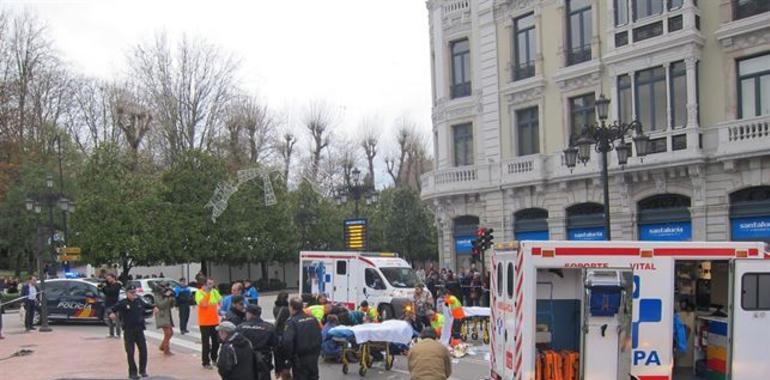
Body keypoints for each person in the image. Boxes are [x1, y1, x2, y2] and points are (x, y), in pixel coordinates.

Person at [109, 285, 154, 380]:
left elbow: (148, 306)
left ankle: (143, 370)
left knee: (143, 351)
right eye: (132, 293)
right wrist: (111, 313)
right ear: (127, 293)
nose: (134, 294)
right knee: (130, 352)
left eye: (135, 292)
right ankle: (132, 373)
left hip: (139, 330)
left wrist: (155, 307)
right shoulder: (123, 303)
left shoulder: (139, 301)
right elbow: (111, 309)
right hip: (129, 331)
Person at [282, 296, 322, 380]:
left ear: (291, 307)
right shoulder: (313, 319)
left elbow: (287, 342)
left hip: (300, 359)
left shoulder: (291, 322)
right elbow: (320, 335)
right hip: (313, 357)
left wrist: (287, 360)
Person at [237, 304, 277, 380]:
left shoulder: (240, 327)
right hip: (263, 361)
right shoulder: (269, 327)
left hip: (245, 361)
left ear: (250, 314)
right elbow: (275, 343)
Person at [196, 278, 223, 369]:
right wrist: (207, 294)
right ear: (204, 285)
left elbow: (220, 301)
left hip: (214, 321)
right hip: (204, 323)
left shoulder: (214, 292)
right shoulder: (199, 293)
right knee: (206, 343)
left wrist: (221, 306)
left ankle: (214, 358)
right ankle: (205, 362)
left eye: (212, 284)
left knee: (216, 342)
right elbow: (203, 304)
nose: (211, 286)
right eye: (209, 284)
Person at [272, 292, 291, 380]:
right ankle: (285, 374)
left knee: (277, 355)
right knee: (286, 354)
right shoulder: (287, 309)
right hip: (284, 332)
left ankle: (277, 373)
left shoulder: (275, 308)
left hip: (277, 332)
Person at [154, 283, 175, 355]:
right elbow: (161, 305)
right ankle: (166, 350)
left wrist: (172, 299)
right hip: (162, 316)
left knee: (171, 333)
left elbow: (171, 305)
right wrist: (167, 297)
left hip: (167, 316)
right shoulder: (157, 295)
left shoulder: (164, 295)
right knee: (168, 333)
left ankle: (162, 346)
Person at [100, 273, 123, 338]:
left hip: (115, 304)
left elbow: (111, 291)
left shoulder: (117, 285)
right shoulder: (108, 285)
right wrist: (102, 287)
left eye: (109, 278)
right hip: (108, 304)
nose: (108, 280)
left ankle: (118, 334)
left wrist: (105, 287)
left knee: (117, 320)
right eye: (107, 279)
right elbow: (105, 292)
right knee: (109, 320)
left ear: (113, 278)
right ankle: (111, 333)